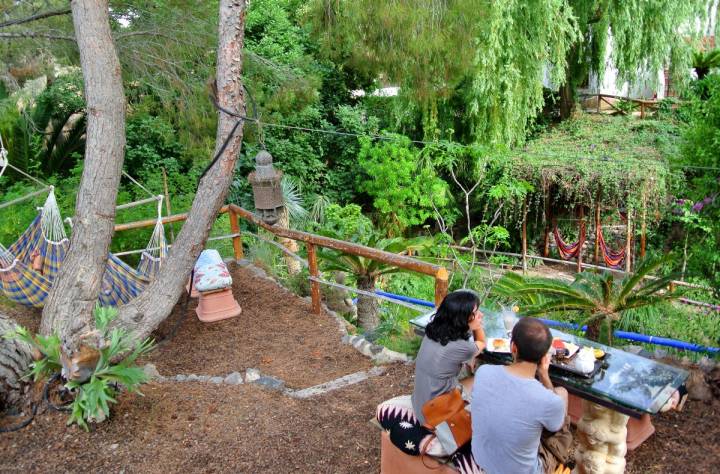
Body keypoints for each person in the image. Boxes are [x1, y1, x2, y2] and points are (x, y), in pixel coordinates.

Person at [470, 317, 572, 474]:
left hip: (481, 459)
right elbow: (555, 428)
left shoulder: (484, 372)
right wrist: (544, 375)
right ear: (545, 356)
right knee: (561, 402)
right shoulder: (548, 400)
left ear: (513, 348)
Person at [412, 290, 486, 425]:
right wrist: (478, 325)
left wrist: (472, 322)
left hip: (420, 403)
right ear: (461, 319)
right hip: (434, 414)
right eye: (475, 313)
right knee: (484, 375)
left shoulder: (433, 331)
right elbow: (482, 342)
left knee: (469, 370)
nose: (481, 315)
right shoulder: (461, 347)